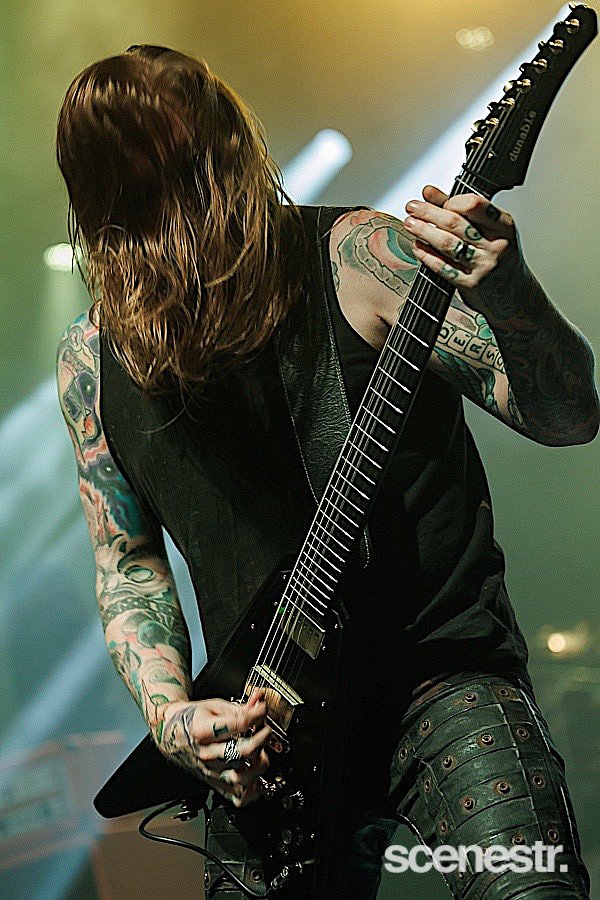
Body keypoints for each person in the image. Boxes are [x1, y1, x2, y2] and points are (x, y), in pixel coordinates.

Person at [55, 45, 597, 898]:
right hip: (270, 731)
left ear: (224, 151)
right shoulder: (92, 361)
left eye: (176, 165)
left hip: (441, 682)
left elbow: (567, 417)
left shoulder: (356, 257)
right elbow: (128, 562)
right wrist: (170, 716)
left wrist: (512, 290)